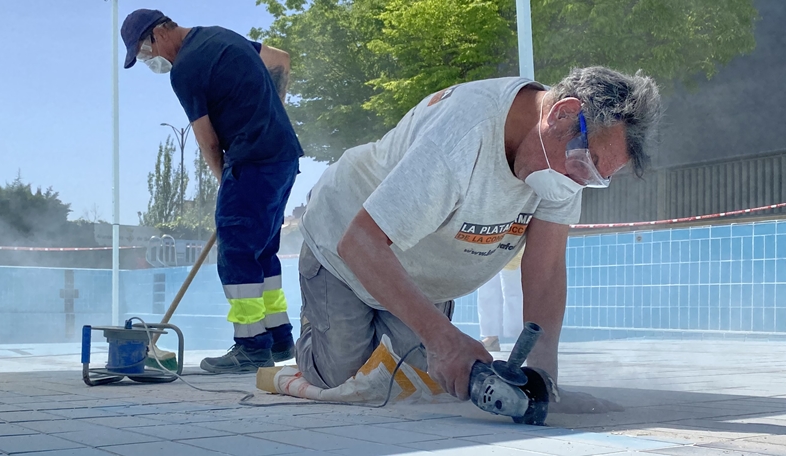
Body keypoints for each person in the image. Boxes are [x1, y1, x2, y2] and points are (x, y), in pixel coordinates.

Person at [295, 67, 661, 412]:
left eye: (596, 177)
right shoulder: (463, 135)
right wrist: (442, 339)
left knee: (425, 381)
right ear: (563, 115)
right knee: (342, 376)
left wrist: (543, 381)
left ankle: (385, 327)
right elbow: (360, 241)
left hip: (417, 276)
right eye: (586, 162)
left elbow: (545, 271)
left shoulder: (565, 159)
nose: (579, 182)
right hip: (344, 246)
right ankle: (316, 324)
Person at [120, 9, 303, 373]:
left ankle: (251, 346)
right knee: (262, 251)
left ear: (157, 34)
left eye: (143, 52)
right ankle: (279, 340)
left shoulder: (185, 68)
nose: (148, 60)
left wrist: (227, 185)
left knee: (235, 253)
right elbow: (280, 60)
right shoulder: (221, 35)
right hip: (283, 156)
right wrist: (273, 113)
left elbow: (207, 142)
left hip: (251, 162)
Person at [477, 249, 525, 352]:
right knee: (487, 288)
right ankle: (491, 338)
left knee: (514, 288)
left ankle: (521, 337)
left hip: (514, 240)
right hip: (490, 243)